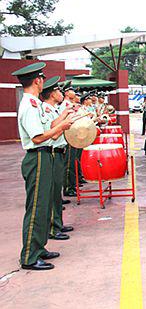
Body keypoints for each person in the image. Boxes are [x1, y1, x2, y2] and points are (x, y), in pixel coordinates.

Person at [12, 62, 74, 270]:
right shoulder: (29, 105)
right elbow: (38, 137)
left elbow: (48, 128)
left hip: (44, 157)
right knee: (37, 207)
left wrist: (62, 121)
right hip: (37, 157)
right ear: (37, 81)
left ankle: (39, 247)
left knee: (45, 204)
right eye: (42, 79)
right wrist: (63, 125)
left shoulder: (34, 103)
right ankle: (29, 256)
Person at [40, 76, 74, 241]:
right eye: (58, 90)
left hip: (59, 151)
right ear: (53, 94)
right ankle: (54, 228)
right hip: (53, 152)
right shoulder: (46, 109)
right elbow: (53, 135)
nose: (61, 93)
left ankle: (58, 224)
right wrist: (65, 124)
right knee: (53, 192)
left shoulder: (53, 109)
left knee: (57, 191)